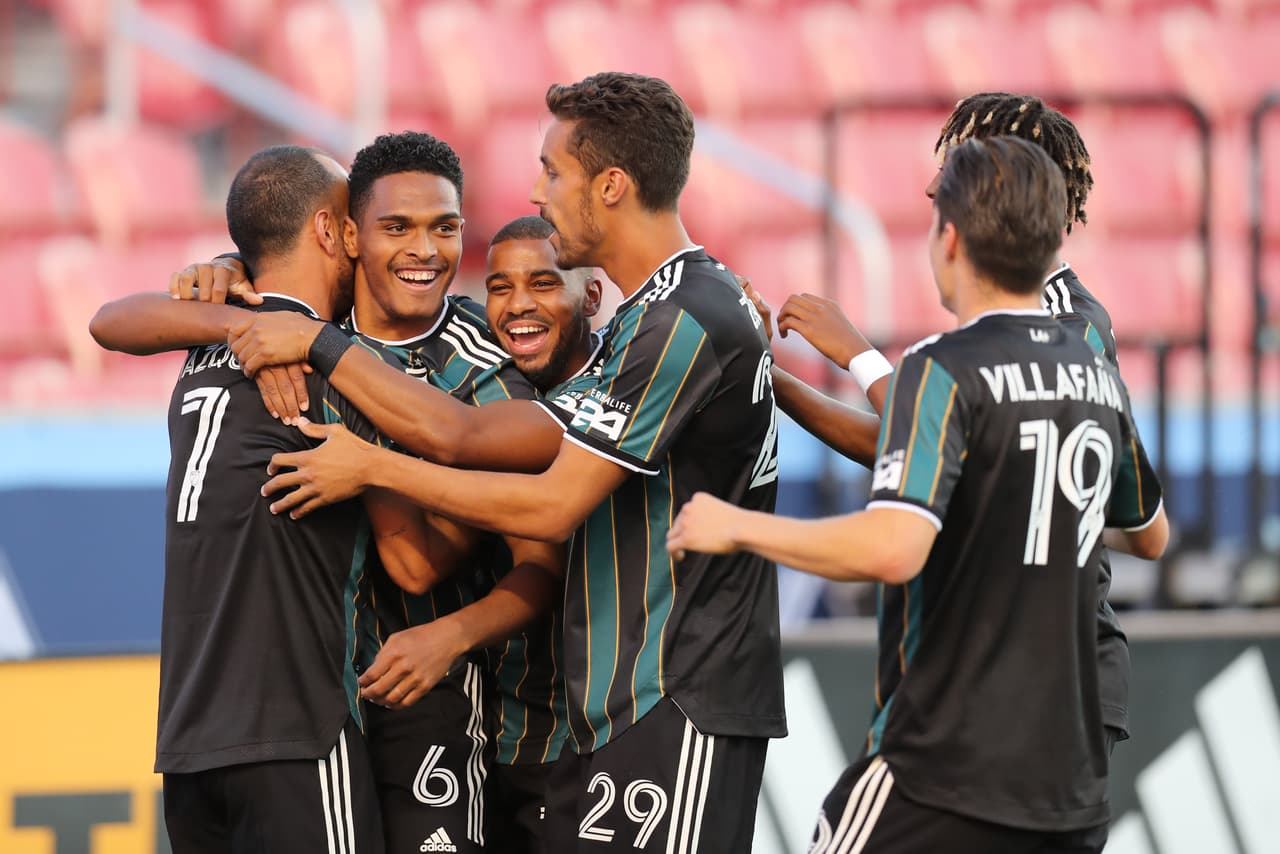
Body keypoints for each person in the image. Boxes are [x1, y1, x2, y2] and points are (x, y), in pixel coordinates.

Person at [228, 72, 785, 853]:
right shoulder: (655, 317)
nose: (538, 189)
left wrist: (372, 461)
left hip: (677, 688)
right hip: (625, 707)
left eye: (554, 171)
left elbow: (552, 507)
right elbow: (471, 436)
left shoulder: (684, 317)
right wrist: (243, 280)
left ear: (613, 185)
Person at [667, 136, 1169, 853]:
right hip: (1068, 779)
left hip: (942, 762)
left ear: (950, 239)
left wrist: (739, 528)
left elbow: (895, 547)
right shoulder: (1097, 377)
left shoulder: (943, 368)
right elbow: (1151, 534)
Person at [749, 92, 1153, 756]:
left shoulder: (1068, 325)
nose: (934, 186)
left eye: (956, 168)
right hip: (999, 670)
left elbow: (1096, 506)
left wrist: (860, 357)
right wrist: (775, 379)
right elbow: (924, 450)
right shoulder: (999, 321)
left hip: (1049, 670)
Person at [89, 145, 387, 854]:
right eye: (354, 225)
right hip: (298, 729)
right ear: (325, 230)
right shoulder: (338, 366)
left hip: (191, 744)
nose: (363, 243)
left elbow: (110, 320)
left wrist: (234, 306)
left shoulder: (195, 340)